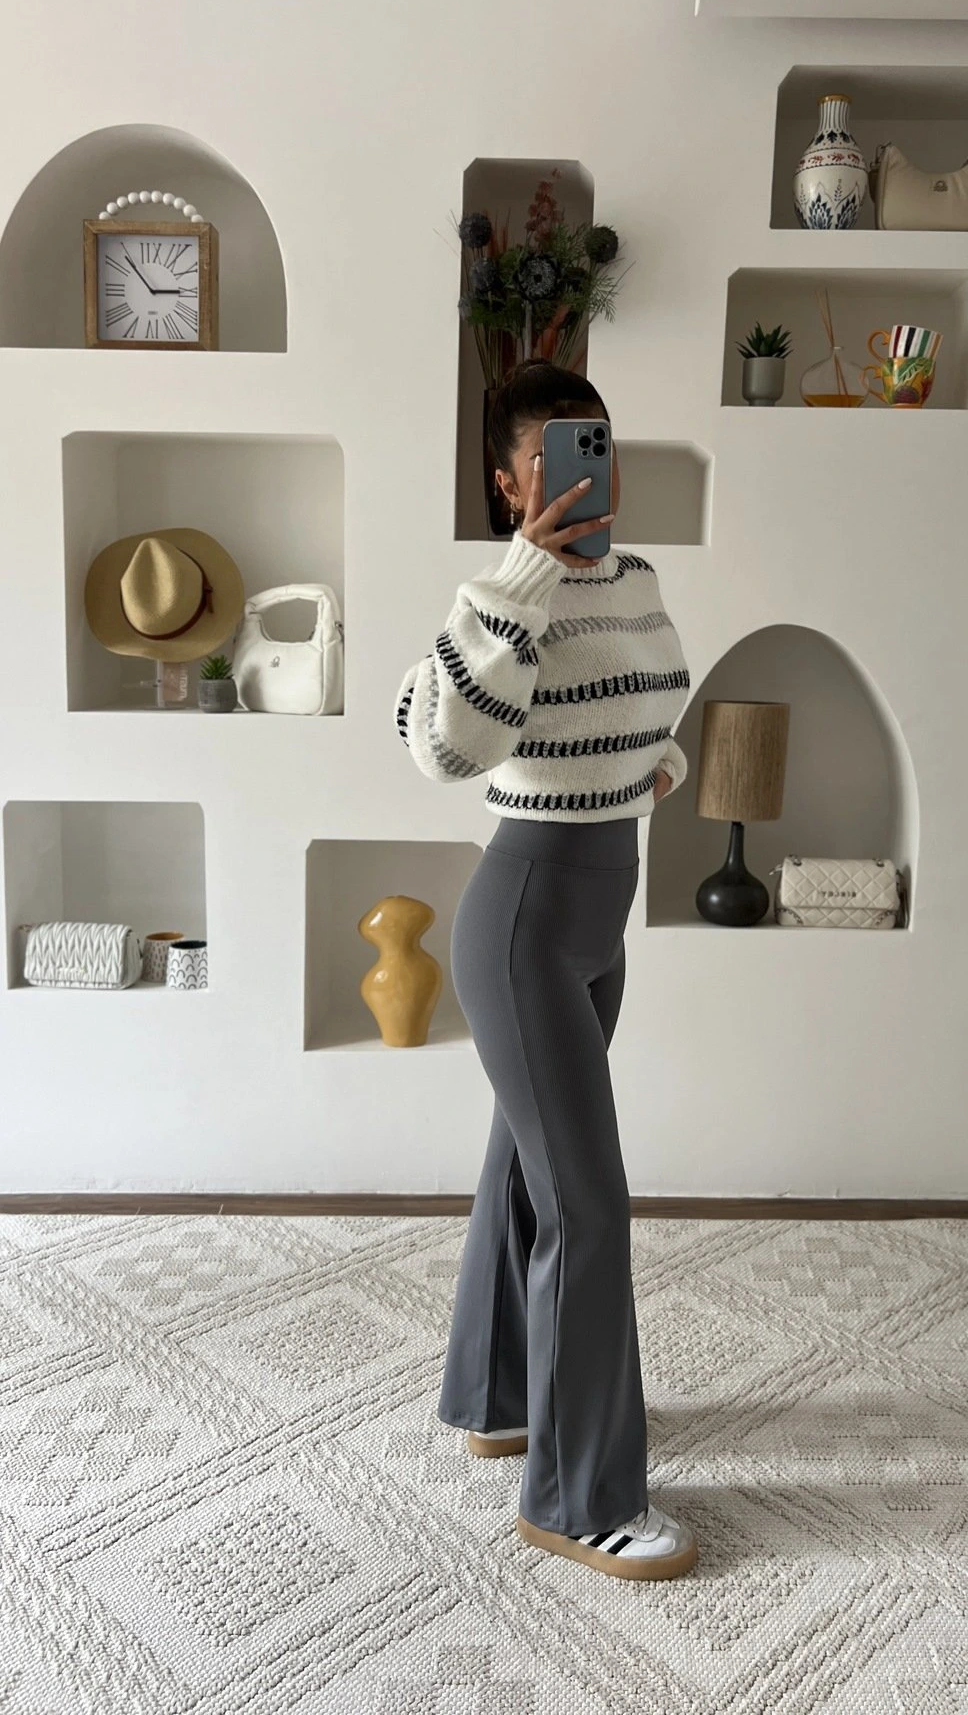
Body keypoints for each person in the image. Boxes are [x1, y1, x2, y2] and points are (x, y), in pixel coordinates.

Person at [393, 359, 697, 1582]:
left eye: (599, 443)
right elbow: (443, 748)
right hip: (523, 916)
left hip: (598, 910)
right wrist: (520, 579)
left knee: (528, 1170)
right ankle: (577, 1501)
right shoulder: (496, 599)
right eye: (558, 451)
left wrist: (656, 773)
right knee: (588, 1202)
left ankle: (499, 1398)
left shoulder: (638, 581)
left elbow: (648, 712)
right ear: (510, 480)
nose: (587, 468)